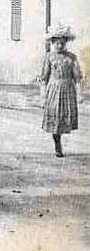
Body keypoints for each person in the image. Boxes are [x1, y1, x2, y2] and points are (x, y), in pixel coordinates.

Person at [40, 25, 83, 157]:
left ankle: (60, 141)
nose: (59, 46)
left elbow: (77, 78)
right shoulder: (49, 57)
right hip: (53, 90)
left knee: (64, 119)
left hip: (67, 90)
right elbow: (44, 78)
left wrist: (79, 93)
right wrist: (42, 96)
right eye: (57, 43)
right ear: (52, 43)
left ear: (65, 43)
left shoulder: (71, 57)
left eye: (62, 43)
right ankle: (57, 145)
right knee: (55, 120)